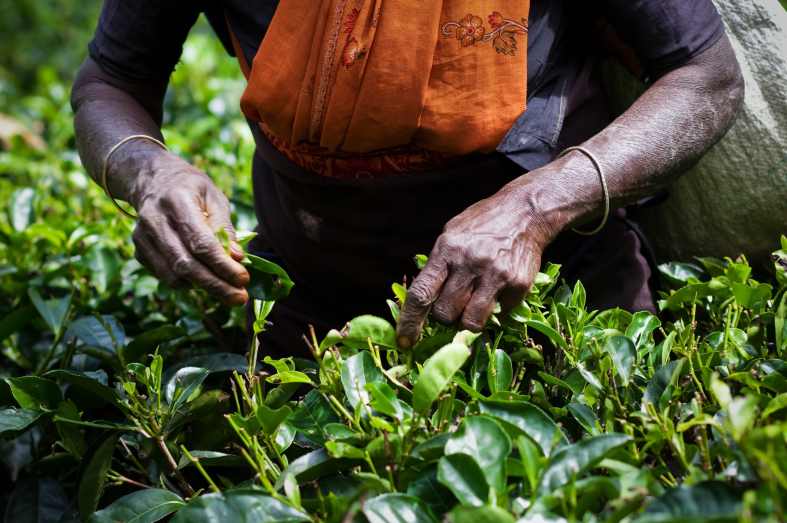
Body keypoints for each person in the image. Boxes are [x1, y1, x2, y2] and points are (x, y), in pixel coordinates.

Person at [72, 0, 743, 356]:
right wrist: (149, 173)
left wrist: (533, 209)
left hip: (552, 301)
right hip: (311, 305)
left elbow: (706, 76)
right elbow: (111, 80)